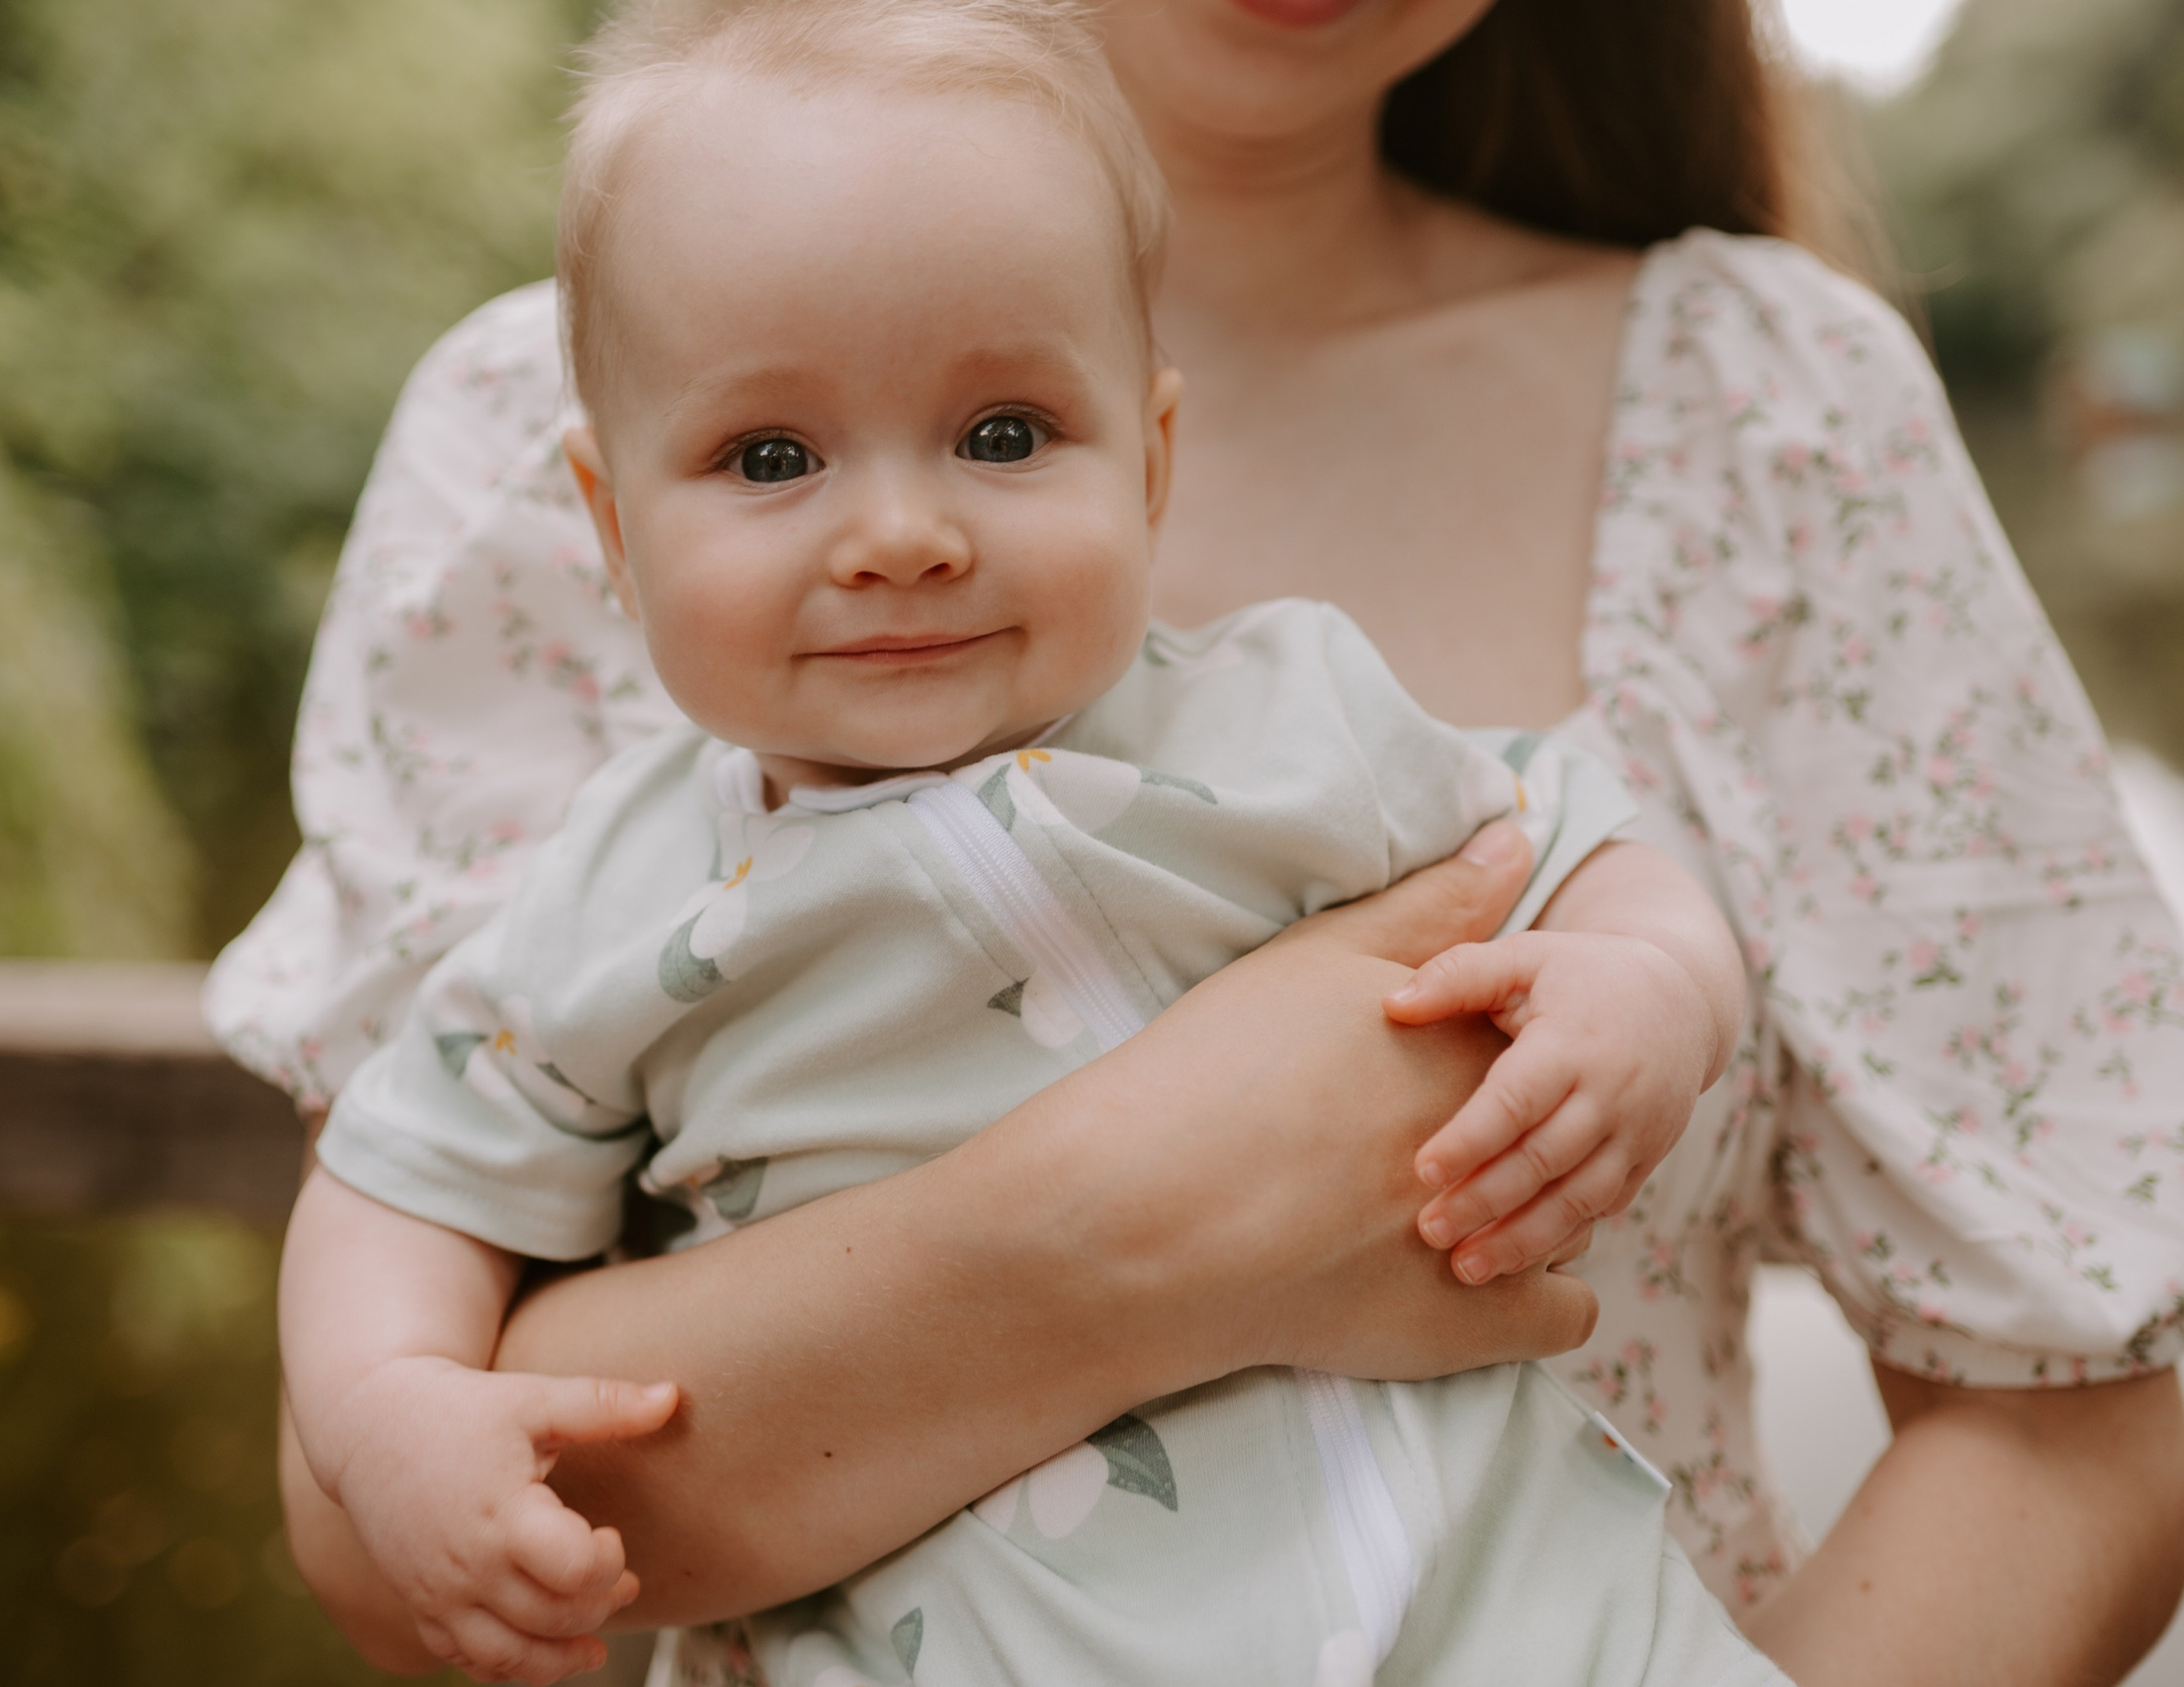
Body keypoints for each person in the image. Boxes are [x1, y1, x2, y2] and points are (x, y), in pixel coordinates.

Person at [209, 0, 2184, 1681]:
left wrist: (1651, 978)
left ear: (1151, 449)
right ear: (615, 508)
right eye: (769, 462)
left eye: (1003, 433)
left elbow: (2078, 1383)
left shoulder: (1715, 445)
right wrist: (1132, 1229)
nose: (892, 536)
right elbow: (405, 1428)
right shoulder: (552, 469)